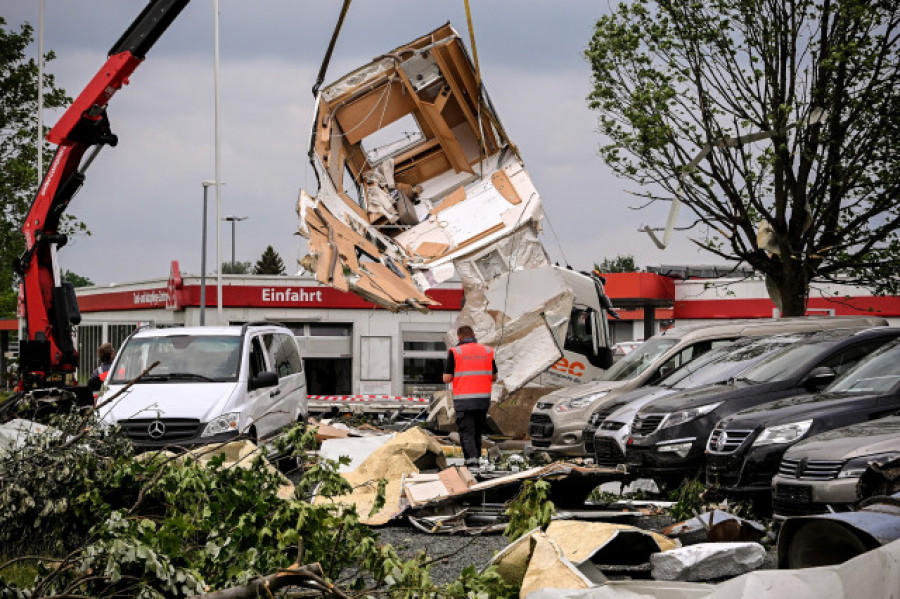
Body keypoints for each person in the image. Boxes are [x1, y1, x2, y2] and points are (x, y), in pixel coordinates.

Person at [443, 325, 497, 469]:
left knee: (466, 432)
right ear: (473, 335)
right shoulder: (487, 351)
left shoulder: (455, 352)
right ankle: (477, 461)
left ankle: (472, 464)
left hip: (464, 401)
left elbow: (447, 378)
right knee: (477, 432)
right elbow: (494, 377)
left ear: (459, 337)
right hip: (482, 401)